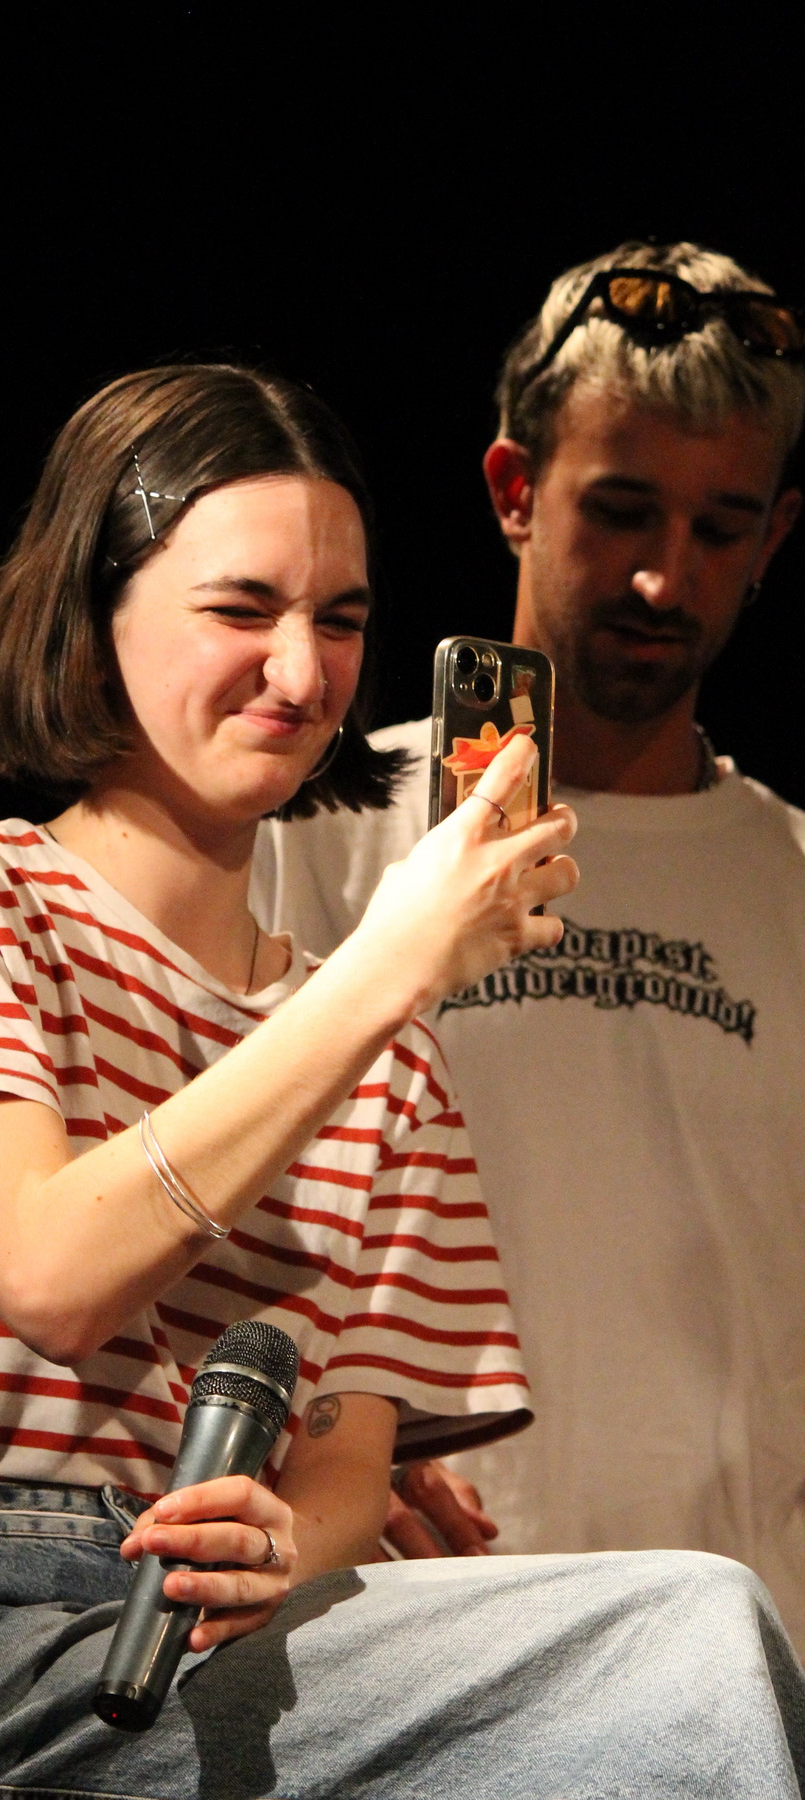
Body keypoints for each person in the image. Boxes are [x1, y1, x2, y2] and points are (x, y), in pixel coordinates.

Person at [0, 363, 805, 1800]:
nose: (304, 676)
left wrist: (281, 1543)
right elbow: (53, 1272)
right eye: (242, 609)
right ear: (94, 612)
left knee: (695, 1642)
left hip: (243, 1640)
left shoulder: (388, 1052)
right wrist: (386, 969)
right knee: (683, 1647)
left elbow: (345, 1468)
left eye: (340, 620)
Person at [253, 242, 805, 1651]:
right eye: (619, 512)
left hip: (740, 1661)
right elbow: (192, 1210)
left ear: (774, 538)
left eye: (720, 528)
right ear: (513, 489)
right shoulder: (320, 832)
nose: (663, 579)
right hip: (411, 1646)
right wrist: (322, 1462)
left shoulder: (792, 880)